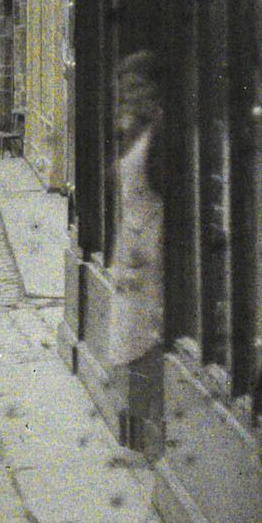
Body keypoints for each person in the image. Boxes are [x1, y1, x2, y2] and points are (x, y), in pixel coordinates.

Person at [106, 48, 164, 369]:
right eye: (124, 90)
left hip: (153, 256)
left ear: (155, 89)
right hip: (133, 256)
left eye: (135, 87)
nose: (127, 96)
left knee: (146, 349)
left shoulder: (162, 133)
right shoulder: (138, 130)